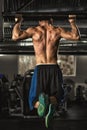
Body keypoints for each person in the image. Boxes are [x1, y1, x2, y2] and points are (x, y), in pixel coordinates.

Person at [12, 14, 80, 128]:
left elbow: (15, 36)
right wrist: (72, 22)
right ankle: (49, 103)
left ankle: (43, 103)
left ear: (39, 21)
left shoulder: (34, 31)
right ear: (51, 20)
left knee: (33, 100)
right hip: (54, 67)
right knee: (59, 96)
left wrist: (18, 21)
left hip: (40, 67)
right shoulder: (57, 30)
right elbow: (76, 36)